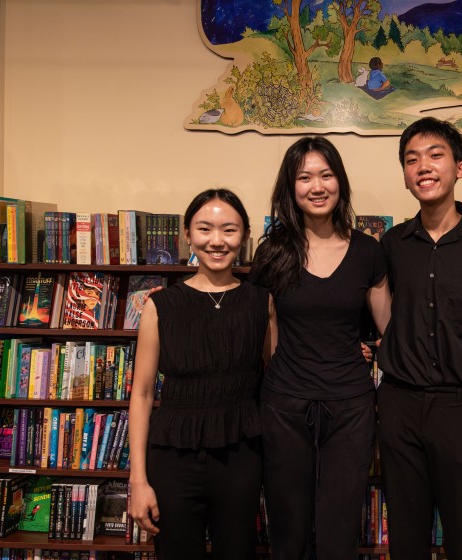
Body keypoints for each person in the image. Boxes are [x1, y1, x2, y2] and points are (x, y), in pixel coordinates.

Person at [250, 136, 391, 560]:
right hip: (285, 406)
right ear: (290, 187)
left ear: (340, 182)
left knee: (338, 530)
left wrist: (369, 349)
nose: (317, 186)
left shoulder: (368, 251)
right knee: (288, 528)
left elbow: (389, 328)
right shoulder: (272, 250)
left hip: (350, 406)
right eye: (304, 176)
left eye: (326, 175)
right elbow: (266, 330)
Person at [376, 116, 462, 559]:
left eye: (436, 156)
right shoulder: (392, 244)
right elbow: (379, 309)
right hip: (399, 402)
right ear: (405, 175)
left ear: (460, 167)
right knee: (407, 535)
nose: (424, 167)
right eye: (412, 160)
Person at [128, 188, 269, 560]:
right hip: (173, 457)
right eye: (205, 229)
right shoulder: (160, 306)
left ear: (245, 236)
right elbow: (141, 395)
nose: (217, 241)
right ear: (188, 235)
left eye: (229, 230)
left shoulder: (262, 302)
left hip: (241, 453)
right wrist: (138, 480)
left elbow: (278, 376)